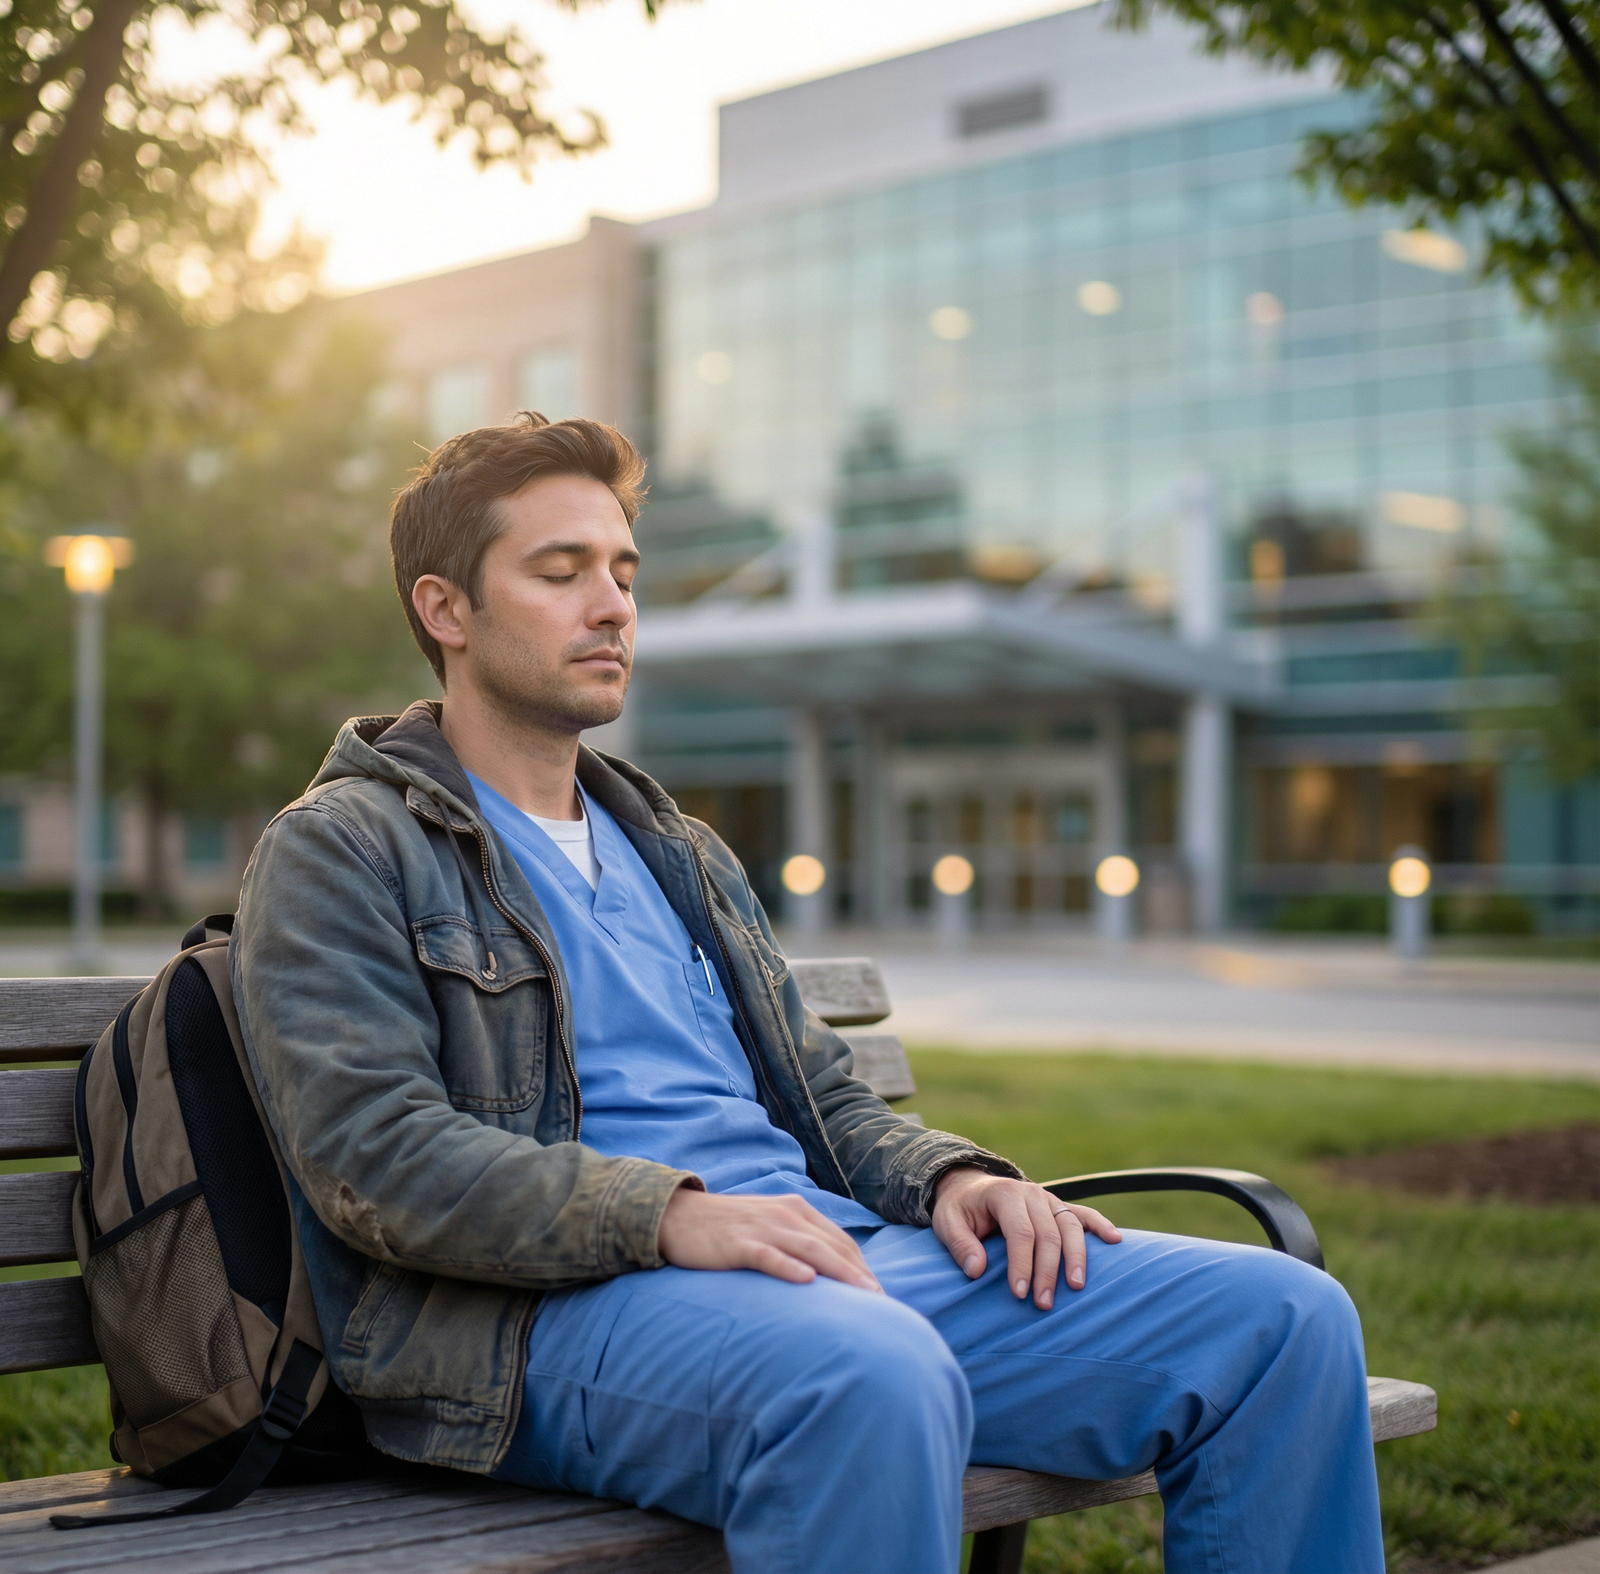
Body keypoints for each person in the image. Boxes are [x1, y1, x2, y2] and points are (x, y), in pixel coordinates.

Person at [232, 413, 1384, 1574]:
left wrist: (953, 1175)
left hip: (820, 1261)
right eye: (560, 570)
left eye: (624, 573)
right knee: (868, 1372)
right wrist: (670, 1213)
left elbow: (819, 1093)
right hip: (549, 1315)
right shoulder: (346, 847)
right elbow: (373, 1158)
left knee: (1282, 1324)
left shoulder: (674, 848)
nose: (612, 605)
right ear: (446, 610)